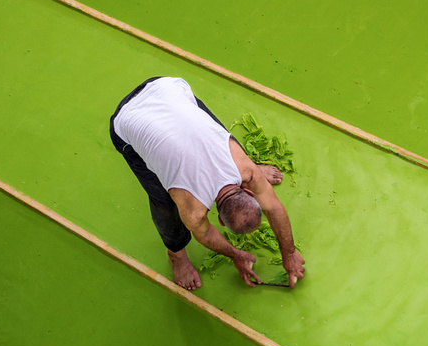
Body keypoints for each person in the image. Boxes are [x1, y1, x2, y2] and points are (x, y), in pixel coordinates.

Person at [110, 76, 305, 291]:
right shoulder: (192, 209)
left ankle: (252, 167)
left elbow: (274, 208)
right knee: (164, 202)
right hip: (127, 119)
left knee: (225, 142)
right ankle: (176, 255)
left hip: (166, 87)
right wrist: (236, 255)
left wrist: (289, 254)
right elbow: (204, 234)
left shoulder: (247, 171)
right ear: (220, 220)